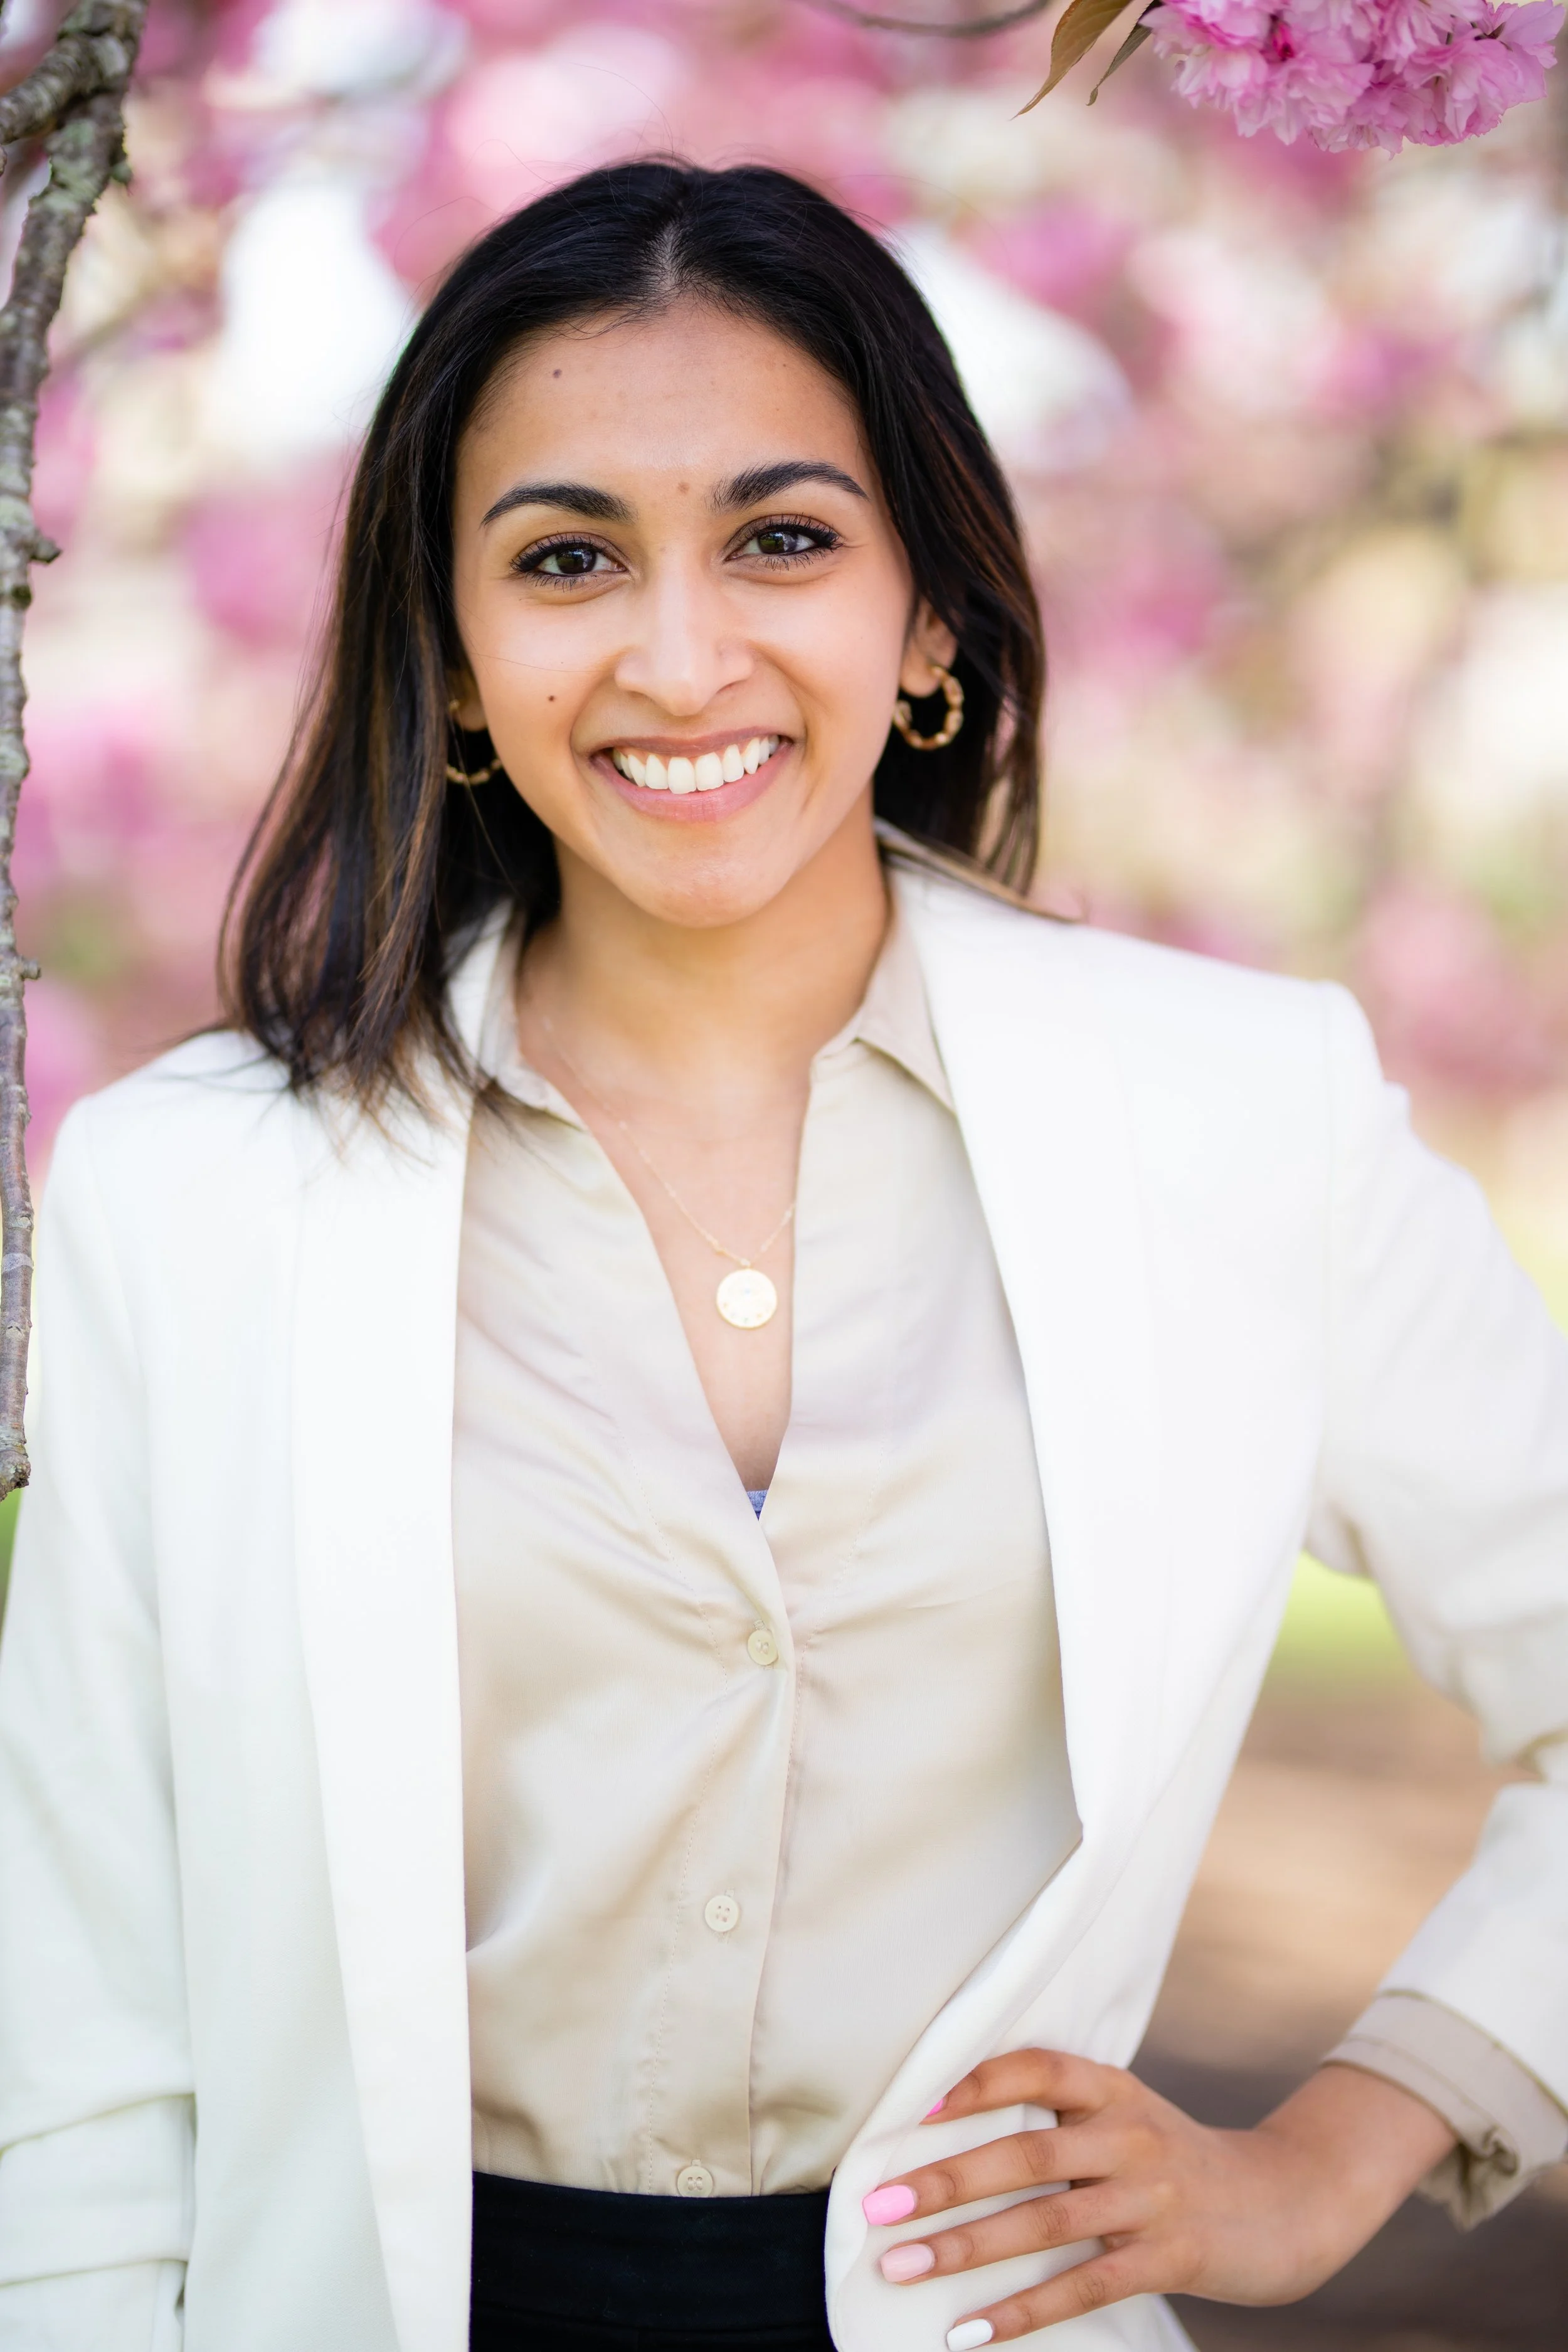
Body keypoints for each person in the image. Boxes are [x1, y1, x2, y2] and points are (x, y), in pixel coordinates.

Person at [0, 158, 1564, 2352]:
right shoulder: (189, 1194)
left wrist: (1338, 2150)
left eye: (783, 538)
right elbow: (78, 2009)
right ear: (448, 654)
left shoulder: (1240, 1116)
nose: (676, 650)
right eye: (566, 558)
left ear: (927, 617)